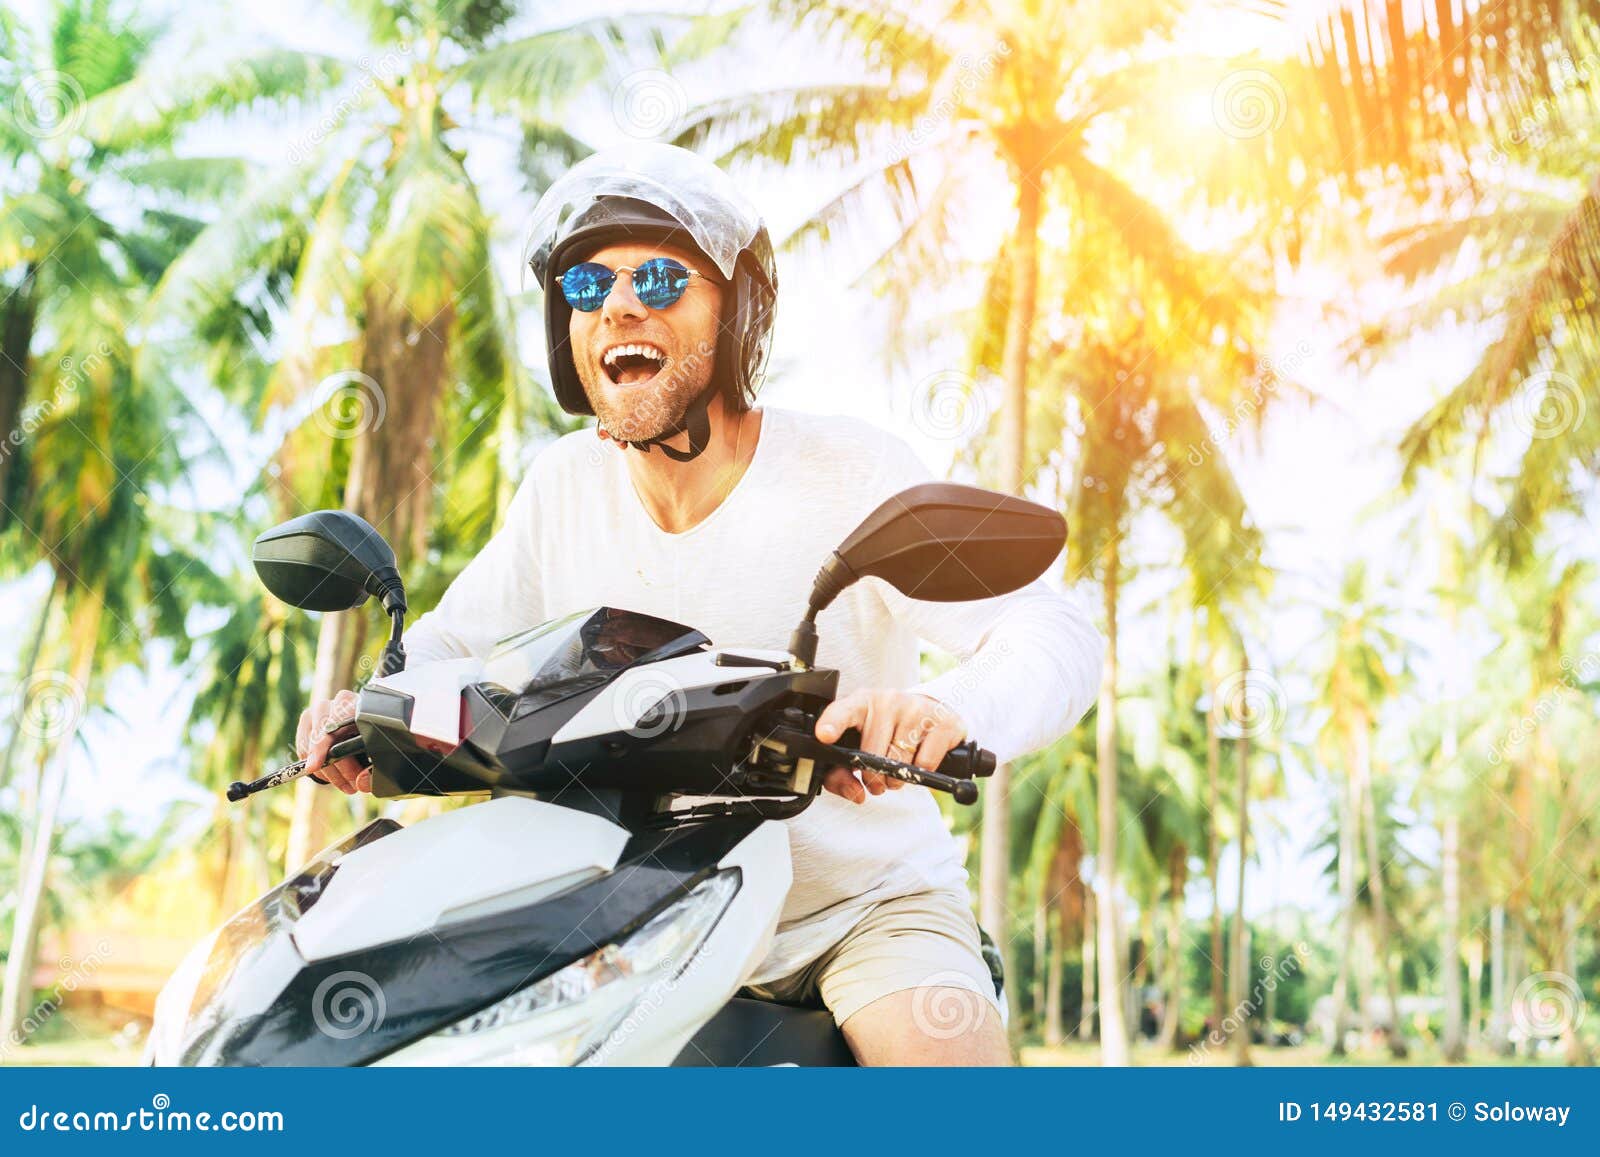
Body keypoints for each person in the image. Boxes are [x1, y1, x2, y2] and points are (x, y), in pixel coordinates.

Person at [297, 143, 1103, 1066]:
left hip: (855, 914)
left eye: (662, 278)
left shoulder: (850, 470)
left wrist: (945, 708)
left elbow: (1053, 630)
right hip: (629, 918)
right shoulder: (561, 488)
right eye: (588, 286)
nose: (622, 304)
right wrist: (368, 713)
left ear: (738, 312)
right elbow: (448, 646)